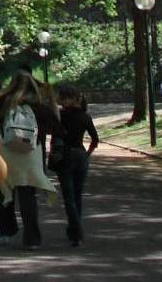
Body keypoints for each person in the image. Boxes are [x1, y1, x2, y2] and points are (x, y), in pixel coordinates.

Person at [0, 71, 62, 250]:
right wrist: (51, 101)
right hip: (30, 155)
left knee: (5, 193)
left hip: (6, 153)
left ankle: (5, 231)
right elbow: (57, 127)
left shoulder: (1, 103)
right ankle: (32, 239)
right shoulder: (38, 107)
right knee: (28, 197)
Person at [52, 85, 99, 247]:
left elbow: (53, 131)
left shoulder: (61, 116)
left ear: (68, 99)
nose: (60, 100)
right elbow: (95, 139)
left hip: (66, 156)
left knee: (69, 197)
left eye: (62, 98)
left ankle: (75, 230)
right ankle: (75, 228)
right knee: (77, 194)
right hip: (80, 154)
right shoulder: (85, 116)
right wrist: (87, 154)